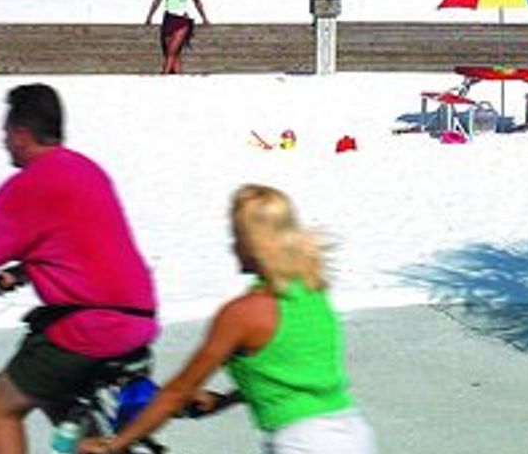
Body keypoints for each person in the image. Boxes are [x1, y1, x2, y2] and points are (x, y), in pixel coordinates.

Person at [0, 84, 158, 454]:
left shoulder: (31, 184)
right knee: (48, 383)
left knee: (3, 403)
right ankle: (94, 445)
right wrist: (21, 273)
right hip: (136, 316)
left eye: (5, 133)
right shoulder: (85, 169)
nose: (3, 142)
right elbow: (76, 244)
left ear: (20, 134)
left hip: (90, 325)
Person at [79, 185, 376, 454]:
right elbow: (295, 375)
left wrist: (116, 444)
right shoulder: (311, 290)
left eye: (237, 237)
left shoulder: (243, 313)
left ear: (255, 243)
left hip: (304, 443)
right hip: (350, 432)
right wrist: (225, 400)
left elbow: (178, 391)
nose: (232, 246)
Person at [144, 0, 209, 75]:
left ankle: (163, 75)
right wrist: (149, 16)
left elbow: (197, 2)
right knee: (174, 54)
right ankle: (177, 78)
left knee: (171, 52)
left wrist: (204, 18)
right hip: (168, 19)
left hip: (182, 22)